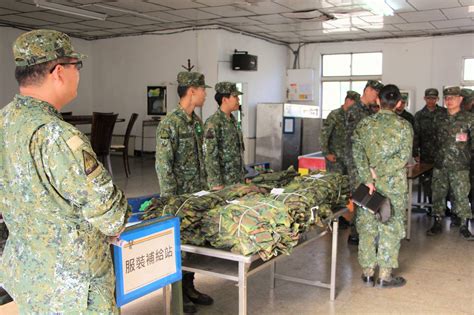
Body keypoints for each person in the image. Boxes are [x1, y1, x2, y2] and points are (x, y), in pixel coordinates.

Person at [0, 29, 129, 313]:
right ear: (59, 71)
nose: (77, 74)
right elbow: (110, 214)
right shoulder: (57, 136)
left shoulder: (5, 122)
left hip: (29, 276)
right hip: (73, 287)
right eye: (76, 66)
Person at [155, 71, 213, 313]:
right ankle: (176, 299)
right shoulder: (170, 123)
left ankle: (189, 287)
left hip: (196, 195)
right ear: (192, 91)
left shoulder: (196, 122)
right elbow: (163, 164)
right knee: (177, 247)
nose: (206, 93)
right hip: (178, 198)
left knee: (192, 244)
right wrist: (170, 201)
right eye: (202, 89)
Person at [352, 84, 413, 288]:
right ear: (398, 104)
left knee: (368, 228)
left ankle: (368, 273)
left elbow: (358, 153)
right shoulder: (404, 126)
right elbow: (403, 158)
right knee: (390, 227)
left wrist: (368, 176)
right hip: (394, 186)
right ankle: (384, 275)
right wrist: (381, 170)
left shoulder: (364, 125)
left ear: (378, 101)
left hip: (369, 187)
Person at [427, 86, 473, 239]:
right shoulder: (438, 118)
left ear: (460, 99)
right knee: (438, 195)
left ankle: (464, 225)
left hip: (460, 166)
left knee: (461, 196)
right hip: (440, 165)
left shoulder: (469, 119)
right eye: (447, 98)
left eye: (452, 97)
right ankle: (437, 222)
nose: (449, 100)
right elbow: (433, 140)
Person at [345, 80, 384, 245]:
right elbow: (357, 140)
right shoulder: (355, 111)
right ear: (367, 90)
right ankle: (355, 234)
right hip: (356, 162)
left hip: (366, 162)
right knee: (359, 197)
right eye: (375, 92)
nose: (377, 96)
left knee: (365, 198)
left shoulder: (369, 111)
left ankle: (361, 233)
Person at [204, 82, 245, 190]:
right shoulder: (213, 123)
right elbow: (210, 156)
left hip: (237, 180)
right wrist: (216, 183)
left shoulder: (233, 121)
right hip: (224, 183)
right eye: (235, 96)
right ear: (224, 99)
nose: (238, 100)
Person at [413, 88, 446, 205]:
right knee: (427, 182)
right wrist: (415, 153)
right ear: (424, 98)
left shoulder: (444, 113)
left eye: (433, 98)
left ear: (437, 99)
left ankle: (442, 206)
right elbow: (415, 135)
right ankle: (432, 205)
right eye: (428, 98)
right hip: (426, 155)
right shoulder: (419, 115)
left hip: (442, 154)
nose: (431, 101)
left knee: (442, 182)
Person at [320, 90, 360, 175]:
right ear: (348, 100)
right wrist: (326, 154)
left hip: (349, 159)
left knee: (347, 185)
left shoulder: (353, 116)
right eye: (355, 103)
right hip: (335, 159)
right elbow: (324, 135)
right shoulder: (334, 115)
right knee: (335, 183)